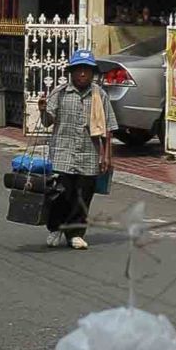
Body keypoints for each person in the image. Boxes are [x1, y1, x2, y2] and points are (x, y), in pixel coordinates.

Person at [37, 50, 113, 250]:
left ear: (92, 73)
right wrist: (43, 109)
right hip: (63, 152)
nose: (82, 74)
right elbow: (47, 122)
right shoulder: (60, 93)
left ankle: (76, 233)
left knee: (83, 196)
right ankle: (55, 228)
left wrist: (106, 155)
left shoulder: (100, 95)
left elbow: (108, 127)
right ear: (71, 72)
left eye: (86, 70)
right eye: (78, 70)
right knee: (61, 194)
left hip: (89, 153)